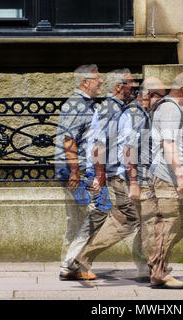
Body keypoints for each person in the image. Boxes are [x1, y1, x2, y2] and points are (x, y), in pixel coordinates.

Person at [73, 68, 144, 276]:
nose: (134, 87)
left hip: (119, 173)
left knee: (134, 218)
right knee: (129, 218)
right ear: (119, 86)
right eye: (131, 83)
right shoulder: (110, 109)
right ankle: (83, 258)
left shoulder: (119, 108)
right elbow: (98, 145)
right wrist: (100, 176)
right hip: (117, 175)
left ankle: (148, 266)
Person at [54, 64, 109, 281]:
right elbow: (69, 141)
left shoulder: (86, 105)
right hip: (76, 171)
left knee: (76, 220)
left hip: (76, 170)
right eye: (97, 79)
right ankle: (71, 263)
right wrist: (75, 172)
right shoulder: (76, 105)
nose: (101, 82)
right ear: (85, 82)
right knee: (101, 210)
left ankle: (70, 266)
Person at [148, 72, 183, 289]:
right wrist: (180, 176)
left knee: (179, 218)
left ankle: (157, 265)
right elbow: (169, 145)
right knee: (172, 222)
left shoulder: (167, 107)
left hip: (164, 176)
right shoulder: (170, 109)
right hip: (166, 176)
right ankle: (158, 270)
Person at [124, 77, 167, 279]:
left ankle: (145, 266)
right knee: (150, 223)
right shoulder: (137, 114)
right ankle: (152, 268)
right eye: (161, 96)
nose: (163, 101)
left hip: (145, 177)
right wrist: (134, 183)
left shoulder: (145, 113)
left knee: (147, 223)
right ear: (150, 95)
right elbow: (128, 149)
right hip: (139, 178)